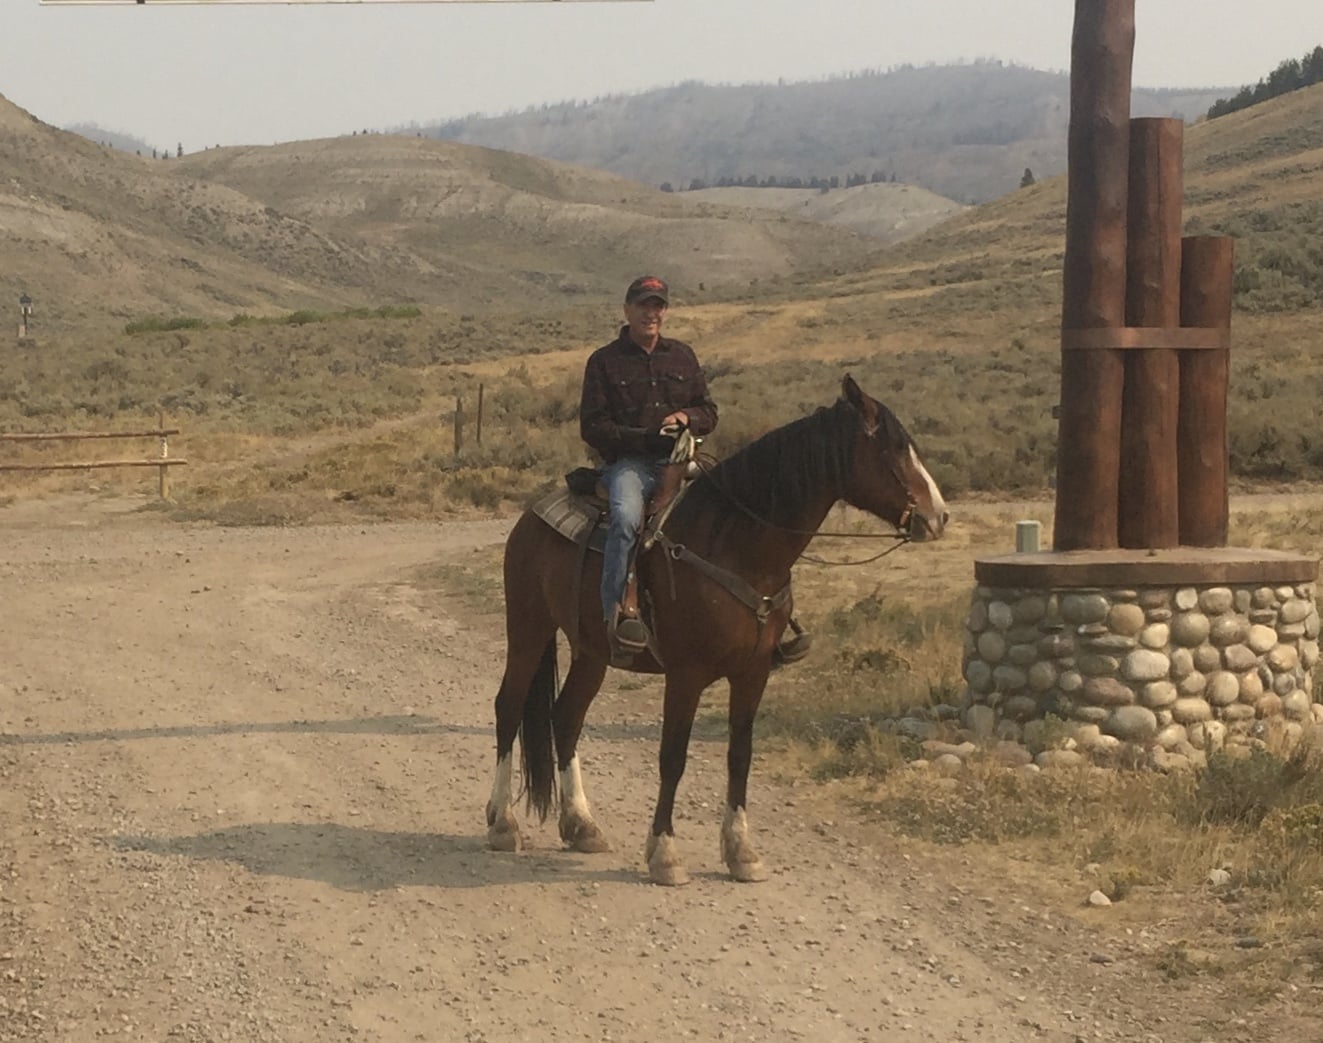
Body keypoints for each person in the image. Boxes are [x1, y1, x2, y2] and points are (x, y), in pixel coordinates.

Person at [579, 276, 717, 652]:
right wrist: (646, 438)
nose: (650, 313)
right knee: (625, 519)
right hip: (630, 464)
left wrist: (687, 417)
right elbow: (592, 427)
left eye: (657, 306)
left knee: (733, 506)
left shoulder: (682, 356)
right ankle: (618, 614)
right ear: (627, 310)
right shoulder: (604, 362)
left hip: (681, 459)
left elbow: (709, 411)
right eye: (643, 305)